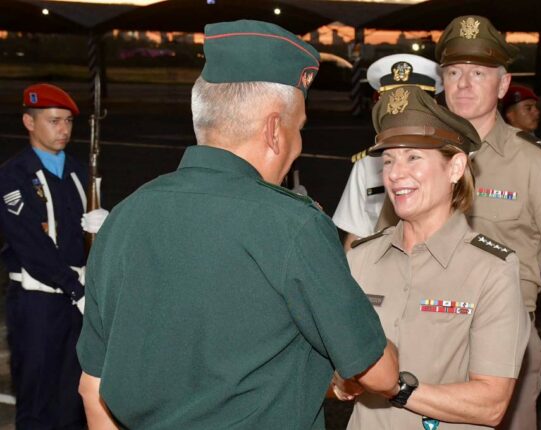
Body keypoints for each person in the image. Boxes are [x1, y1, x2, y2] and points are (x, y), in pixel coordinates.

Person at [76, 20, 399, 429]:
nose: (298, 146)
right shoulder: (293, 225)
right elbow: (379, 374)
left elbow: (93, 388)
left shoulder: (125, 217)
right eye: (299, 129)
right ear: (273, 130)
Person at [433, 16, 541, 430]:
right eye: (453, 72)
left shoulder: (535, 164)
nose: (463, 83)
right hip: (426, 337)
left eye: (478, 73)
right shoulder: (419, 158)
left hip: (503, 343)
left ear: (503, 86)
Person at [337, 85, 530, 429]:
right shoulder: (360, 260)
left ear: (455, 167)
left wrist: (398, 389)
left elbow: (491, 403)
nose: (396, 173)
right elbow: (320, 368)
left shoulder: (491, 269)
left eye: (413, 157)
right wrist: (339, 385)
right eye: (389, 160)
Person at [0, 83, 106, 429]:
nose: (63, 130)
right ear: (29, 122)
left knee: (74, 397)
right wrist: (76, 289)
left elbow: (83, 236)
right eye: (54, 121)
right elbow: (32, 245)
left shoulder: (78, 171)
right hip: (38, 302)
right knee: (37, 398)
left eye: (67, 122)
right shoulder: (13, 176)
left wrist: (106, 224)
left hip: (77, 302)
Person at [333, 53, 442, 251]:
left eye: (413, 104)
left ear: (433, 107)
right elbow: (355, 239)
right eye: (393, 104)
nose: (401, 113)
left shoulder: (454, 163)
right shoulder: (366, 164)